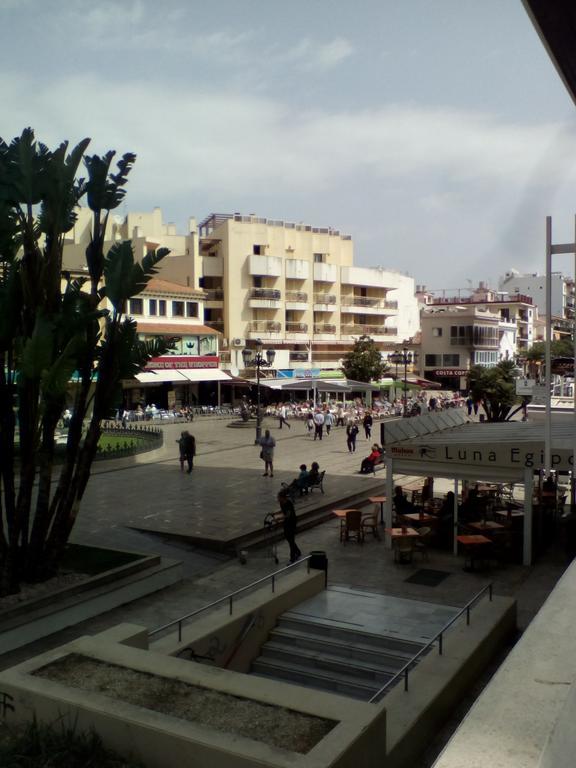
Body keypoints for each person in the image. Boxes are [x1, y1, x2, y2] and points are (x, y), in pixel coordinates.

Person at [277, 489, 301, 563]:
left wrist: (280, 518)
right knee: (288, 538)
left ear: (283, 497)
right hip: (286, 522)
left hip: (291, 522)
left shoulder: (288, 503)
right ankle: (298, 551)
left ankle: (292, 558)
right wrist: (275, 513)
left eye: (278, 497)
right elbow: (283, 511)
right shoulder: (281, 503)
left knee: (291, 539)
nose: (277, 498)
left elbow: (288, 514)